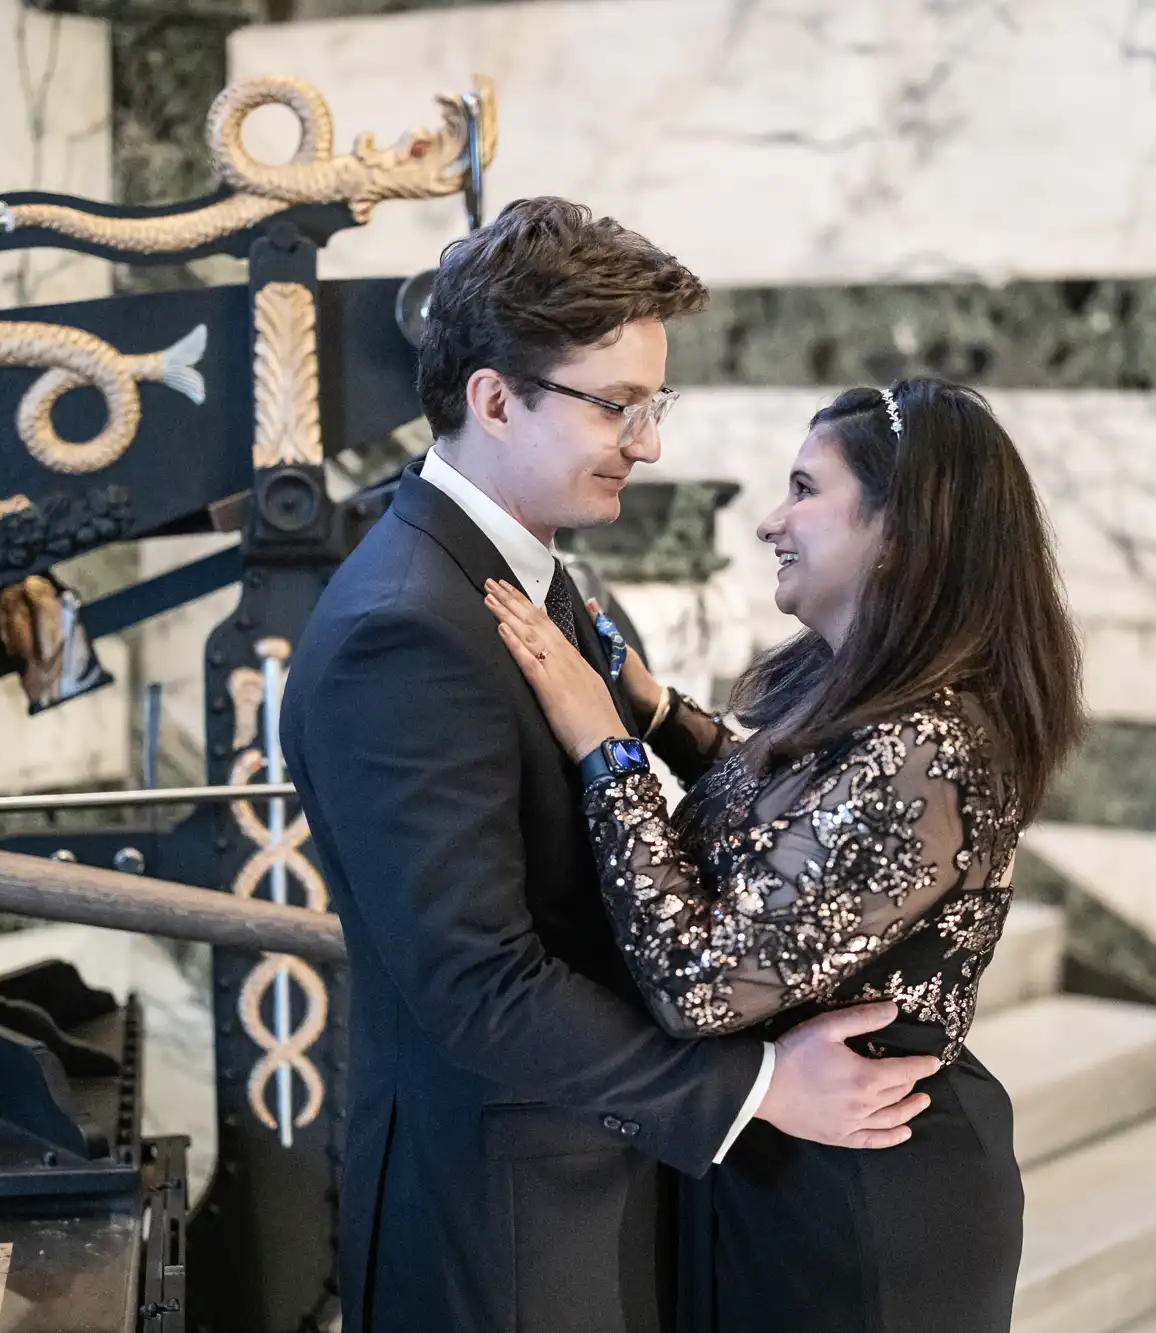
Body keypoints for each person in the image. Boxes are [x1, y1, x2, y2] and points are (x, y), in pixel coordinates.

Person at [279, 199, 940, 1333]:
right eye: (617, 405)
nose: (648, 440)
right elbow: (475, 985)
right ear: (493, 398)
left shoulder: (543, 581)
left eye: (653, 402)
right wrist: (763, 1088)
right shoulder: (406, 629)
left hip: (594, 1168)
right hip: (505, 1219)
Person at [484, 375, 1085, 1333]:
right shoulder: (879, 709)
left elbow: (702, 980)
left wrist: (606, 748)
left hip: (868, 1203)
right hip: (794, 1164)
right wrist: (658, 714)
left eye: (805, 489)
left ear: (903, 528)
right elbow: (804, 837)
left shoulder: (931, 748)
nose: (771, 520)